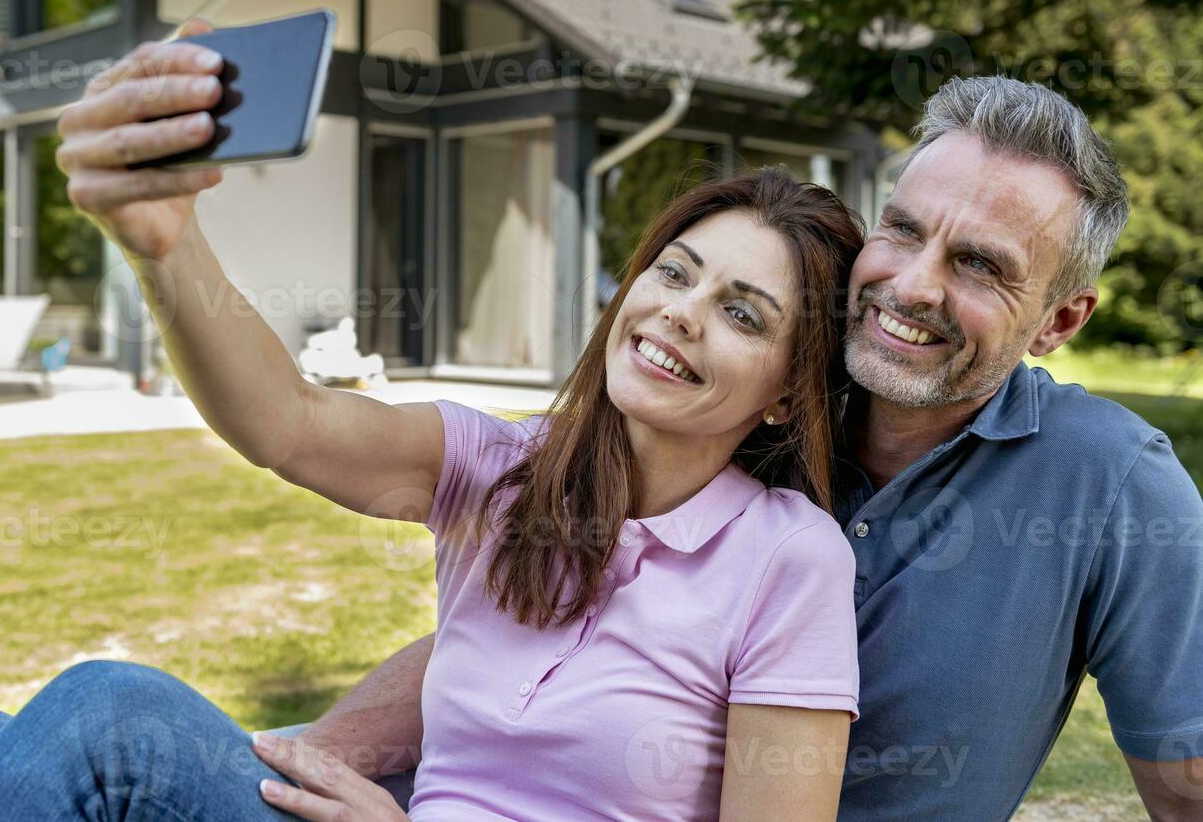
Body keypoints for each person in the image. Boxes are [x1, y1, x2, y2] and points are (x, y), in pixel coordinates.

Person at [0, 19, 870, 820]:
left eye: (738, 310)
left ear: (782, 386)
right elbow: (284, 421)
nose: (678, 312)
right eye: (671, 270)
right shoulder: (503, 467)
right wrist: (165, 245)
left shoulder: (786, 562)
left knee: (109, 714)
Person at [297, 76, 1203, 820]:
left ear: (1061, 319)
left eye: (980, 265)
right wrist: (295, 766)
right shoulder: (748, 397)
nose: (913, 285)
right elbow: (528, 632)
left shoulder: (1113, 487)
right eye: (903, 230)